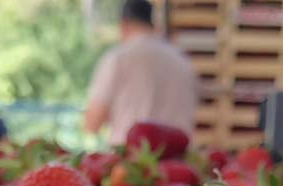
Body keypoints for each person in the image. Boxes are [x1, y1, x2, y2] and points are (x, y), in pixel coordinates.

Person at [84, 0, 198, 144]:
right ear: (152, 25)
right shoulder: (183, 61)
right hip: (179, 155)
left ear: (123, 24)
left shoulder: (117, 59)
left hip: (131, 155)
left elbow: (92, 123)